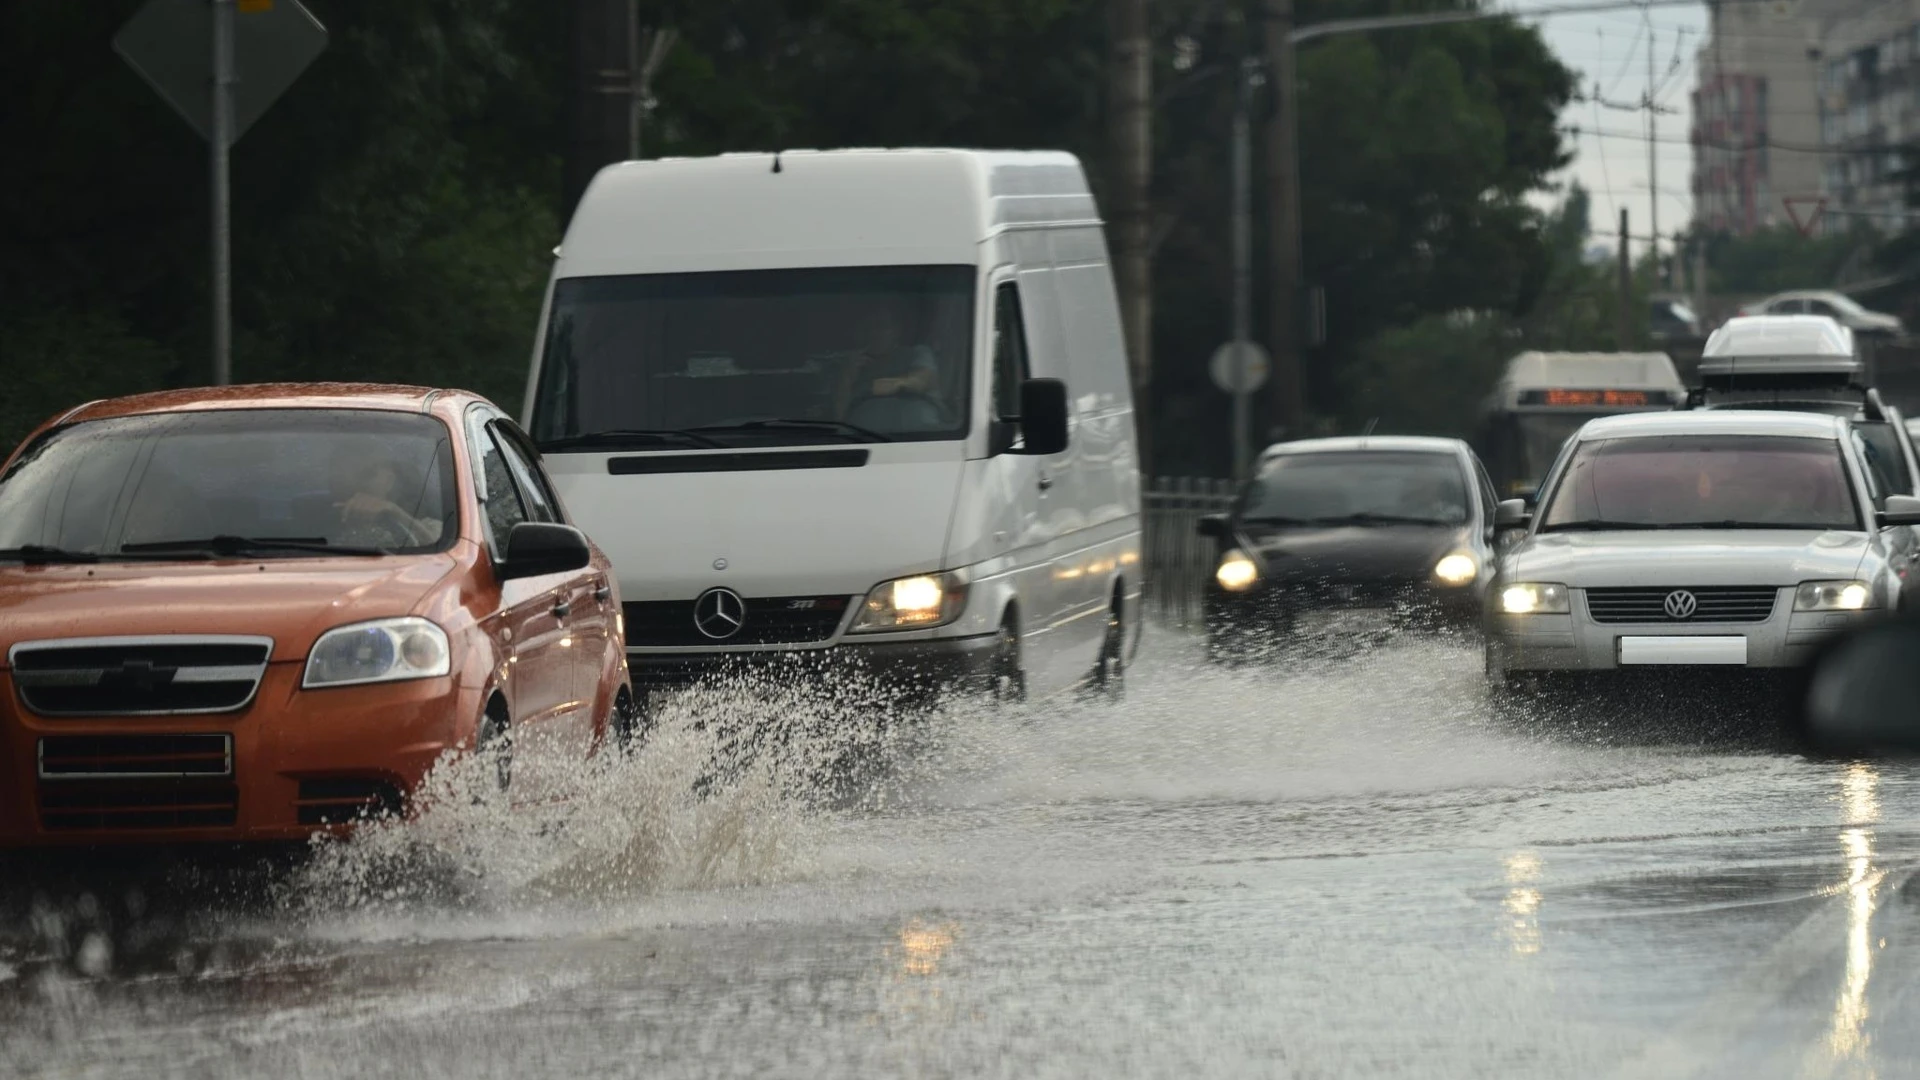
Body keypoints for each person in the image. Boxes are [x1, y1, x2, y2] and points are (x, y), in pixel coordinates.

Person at [834, 306, 945, 423]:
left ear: (896, 331)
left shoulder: (917, 353)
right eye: (869, 328)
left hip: (924, 436)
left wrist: (894, 384)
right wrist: (846, 376)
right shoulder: (854, 366)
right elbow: (839, 417)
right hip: (862, 438)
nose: (874, 333)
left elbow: (923, 381)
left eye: (881, 326)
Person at [332, 454, 437, 548]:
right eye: (340, 474)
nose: (354, 481)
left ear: (389, 481)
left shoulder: (429, 526)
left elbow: (439, 551)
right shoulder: (318, 522)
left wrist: (395, 512)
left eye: (368, 473)